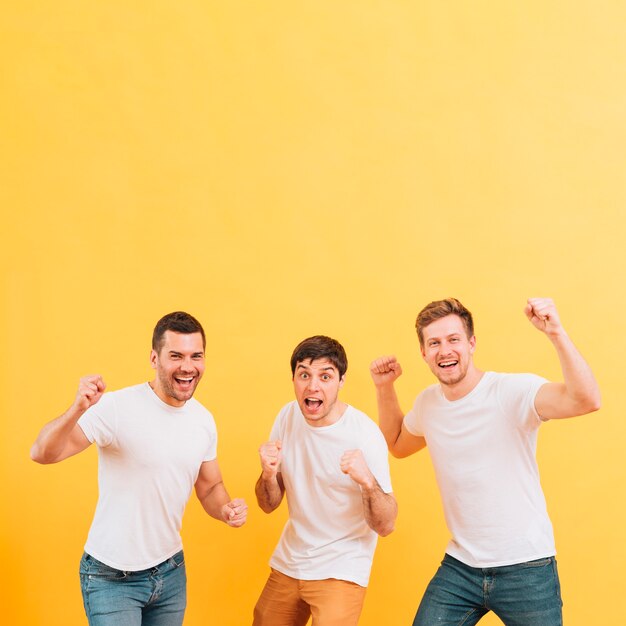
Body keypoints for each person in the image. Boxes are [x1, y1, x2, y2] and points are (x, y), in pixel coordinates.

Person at [370, 297, 600, 626]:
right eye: (434, 343)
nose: (444, 350)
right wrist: (384, 387)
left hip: (527, 567)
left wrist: (556, 333)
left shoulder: (511, 391)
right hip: (461, 567)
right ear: (423, 353)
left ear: (472, 343)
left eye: (453, 340)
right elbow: (396, 444)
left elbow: (587, 400)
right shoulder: (428, 404)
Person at [30, 311, 247, 626]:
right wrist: (78, 407)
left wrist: (226, 509)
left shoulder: (203, 420)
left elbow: (210, 487)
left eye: (196, 356)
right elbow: (42, 453)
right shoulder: (117, 408)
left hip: (170, 571)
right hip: (111, 577)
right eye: (176, 356)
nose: (188, 366)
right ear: (154, 358)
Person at [254, 335, 397, 626]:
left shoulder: (364, 435)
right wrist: (268, 474)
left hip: (341, 567)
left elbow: (386, 525)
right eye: (304, 374)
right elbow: (268, 504)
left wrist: (368, 481)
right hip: (291, 560)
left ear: (341, 382)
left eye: (325, 376)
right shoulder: (287, 416)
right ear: (293, 377)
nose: (312, 386)